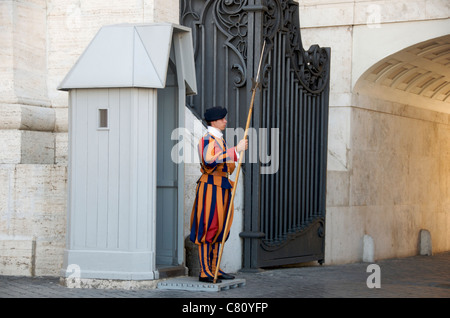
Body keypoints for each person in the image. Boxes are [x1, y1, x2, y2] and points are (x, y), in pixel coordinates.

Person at [189, 106, 248, 283]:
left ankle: (215, 268)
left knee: (220, 227)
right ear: (214, 121)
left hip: (221, 186)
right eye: (222, 119)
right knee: (209, 226)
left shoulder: (219, 140)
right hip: (210, 187)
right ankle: (205, 271)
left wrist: (234, 155)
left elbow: (226, 164)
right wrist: (235, 150)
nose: (225, 121)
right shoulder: (207, 139)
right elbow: (209, 160)